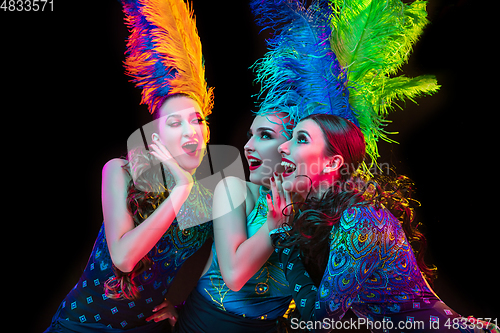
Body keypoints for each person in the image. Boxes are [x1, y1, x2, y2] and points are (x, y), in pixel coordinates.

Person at [44, 0, 215, 331]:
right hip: (81, 325)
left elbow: (227, 268)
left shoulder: (212, 194)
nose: (190, 129)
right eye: (175, 122)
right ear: (157, 135)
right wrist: (181, 189)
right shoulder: (119, 172)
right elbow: (124, 256)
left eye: (197, 119)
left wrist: (187, 307)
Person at [269, 113, 499, 333]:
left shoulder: (360, 220)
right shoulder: (337, 218)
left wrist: (281, 237)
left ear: (332, 163)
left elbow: (317, 322)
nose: (282, 147)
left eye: (300, 139)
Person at [174, 112, 295, 333]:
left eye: (265, 135)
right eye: (250, 135)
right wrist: (273, 226)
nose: (247, 146)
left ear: (293, 147)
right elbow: (233, 275)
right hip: (204, 325)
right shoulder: (235, 190)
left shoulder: (316, 211)